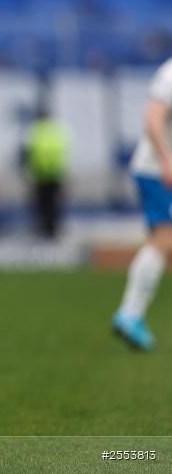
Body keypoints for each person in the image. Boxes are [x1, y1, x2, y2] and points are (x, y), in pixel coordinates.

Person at [113, 57, 172, 351]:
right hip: (156, 171)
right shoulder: (171, 73)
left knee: (164, 241)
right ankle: (130, 314)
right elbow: (153, 117)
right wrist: (165, 160)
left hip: (160, 170)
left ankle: (131, 314)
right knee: (164, 238)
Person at [22, 103, 70, 238]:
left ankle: (44, 231)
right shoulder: (58, 131)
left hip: (40, 175)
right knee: (54, 205)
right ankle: (53, 230)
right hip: (56, 174)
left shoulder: (34, 131)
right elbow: (64, 151)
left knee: (42, 205)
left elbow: (28, 153)